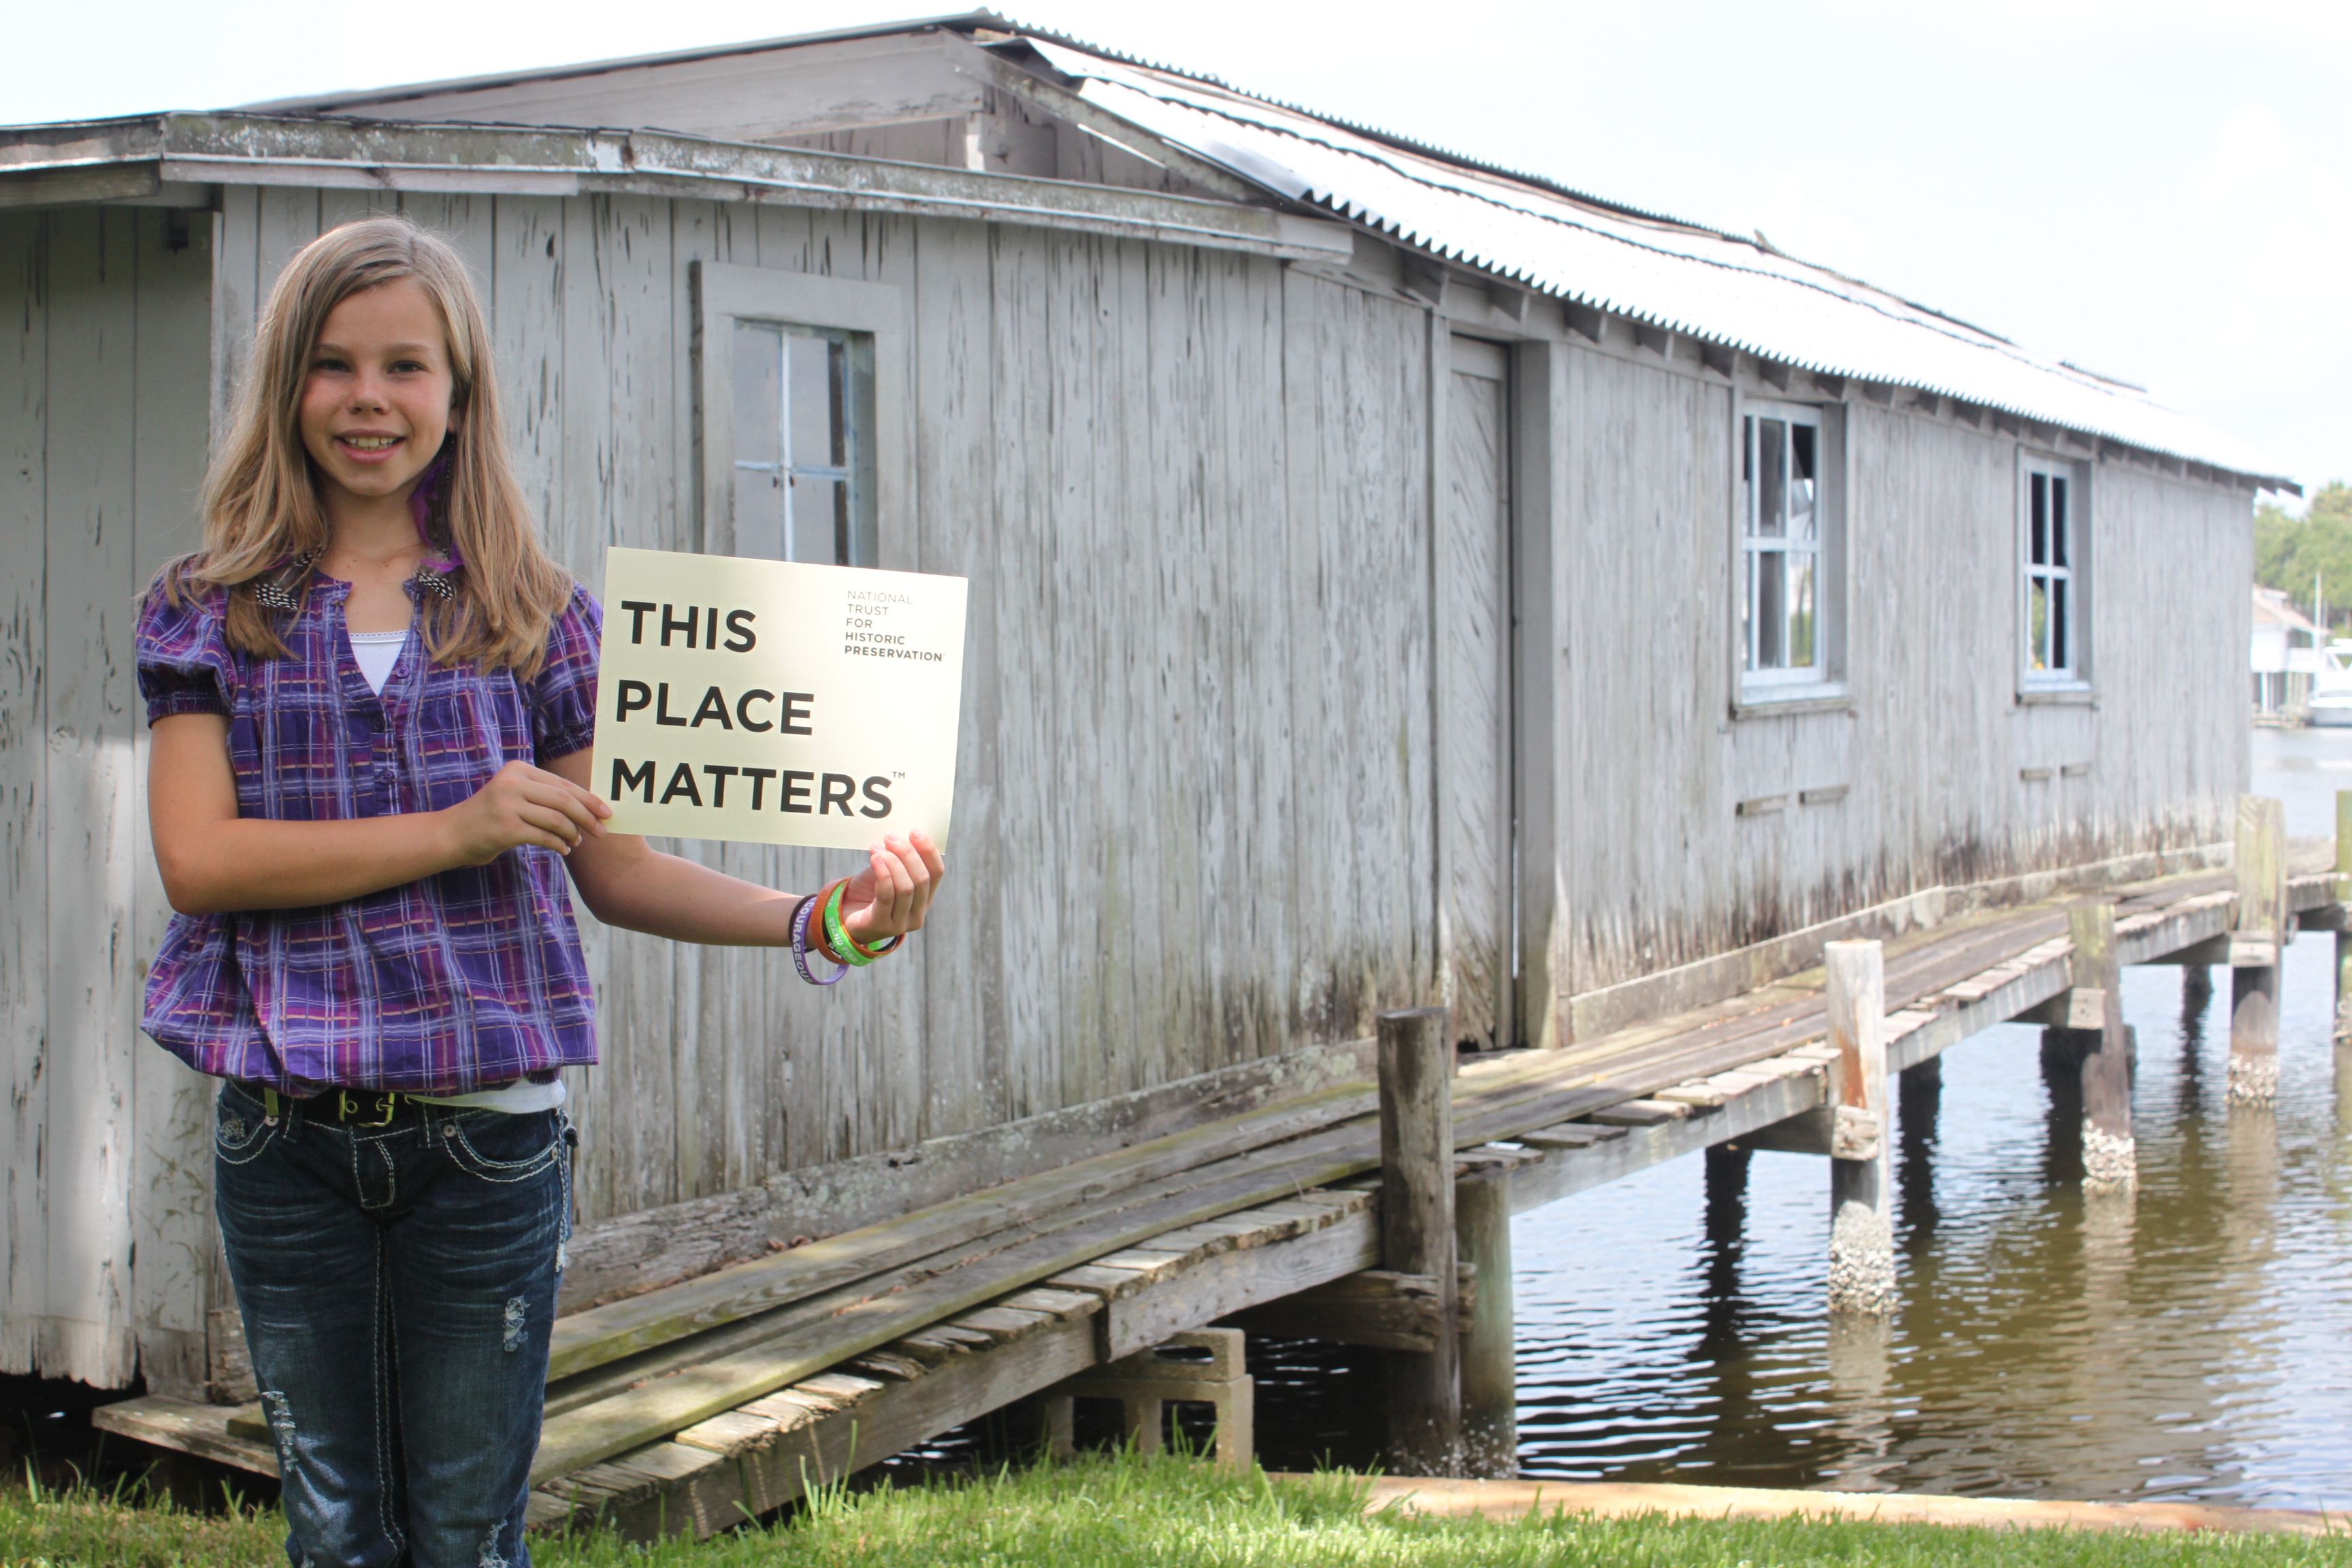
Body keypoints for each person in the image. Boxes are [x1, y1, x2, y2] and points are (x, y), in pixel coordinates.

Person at [135, 214, 945, 1568]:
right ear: (288, 387)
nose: (369, 399)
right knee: (334, 1535)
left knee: (465, 1538)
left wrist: (823, 924)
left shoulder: (536, 613)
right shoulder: (211, 606)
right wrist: (458, 827)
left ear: (459, 393)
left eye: (406, 365)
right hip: (284, 1139)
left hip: (487, 1144)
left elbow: (615, 868)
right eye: (334, 365)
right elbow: (199, 861)